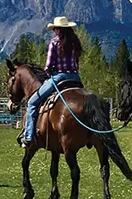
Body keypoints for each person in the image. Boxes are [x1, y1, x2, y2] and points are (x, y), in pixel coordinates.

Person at [18, 16, 84, 147]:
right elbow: (76, 62)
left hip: (59, 78)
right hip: (75, 78)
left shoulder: (54, 42)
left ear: (58, 29)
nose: (54, 32)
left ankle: (28, 137)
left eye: (55, 29)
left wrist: (47, 75)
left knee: (32, 102)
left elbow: (49, 66)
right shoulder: (75, 42)